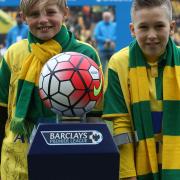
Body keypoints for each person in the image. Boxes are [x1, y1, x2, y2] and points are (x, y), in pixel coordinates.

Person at [0, 0, 102, 179]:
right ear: (24, 18)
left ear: (65, 13)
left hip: (69, 158)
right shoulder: (13, 54)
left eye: (50, 12)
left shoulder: (85, 54)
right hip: (18, 161)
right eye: (34, 14)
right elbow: (2, 109)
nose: (43, 20)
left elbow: (96, 115)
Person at [102, 0, 180, 179]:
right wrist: (128, 174)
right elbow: (121, 127)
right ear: (132, 29)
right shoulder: (118, 64)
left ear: (172, 27)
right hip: (138, 168)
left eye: (159, 26)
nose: (152, 35)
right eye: (143, 27)